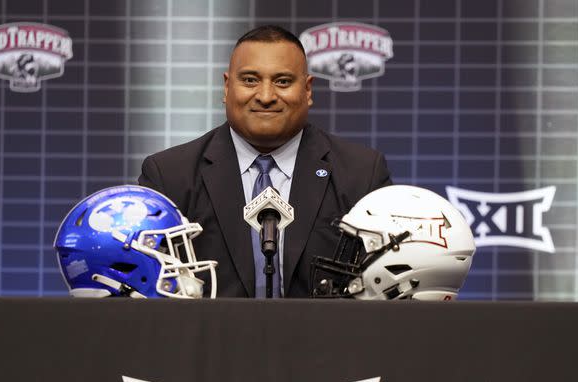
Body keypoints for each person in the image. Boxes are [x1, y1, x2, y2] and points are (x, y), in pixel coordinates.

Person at [138, 25, 392, 298]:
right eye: (250, 80)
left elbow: (386, 289)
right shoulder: (169, 175)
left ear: (307, 90)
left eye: (282, 81)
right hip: (210, 339)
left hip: (324, 339)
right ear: (227, 87)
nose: (266, 96)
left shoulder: (362, 173)